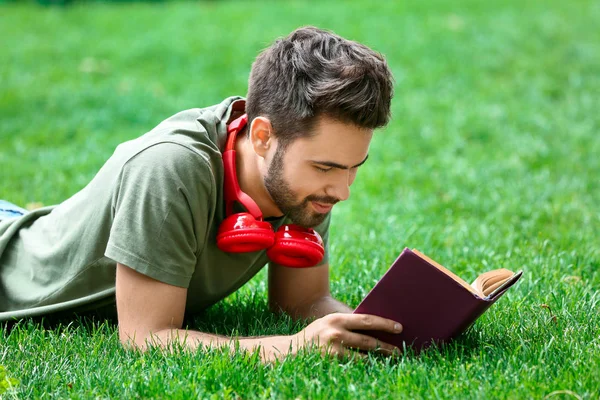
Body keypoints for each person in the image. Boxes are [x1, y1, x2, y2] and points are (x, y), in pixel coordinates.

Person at [0, 26, 402, 362]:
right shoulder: (169, 167)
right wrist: (293, 348)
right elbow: (147, 338)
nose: (342, 190)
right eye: (327, 167)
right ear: (263, 137)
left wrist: (395, 331)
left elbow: (302, 303)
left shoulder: (306, 183)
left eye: (353, 168)